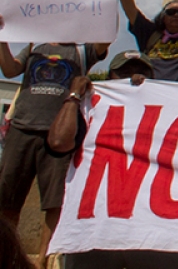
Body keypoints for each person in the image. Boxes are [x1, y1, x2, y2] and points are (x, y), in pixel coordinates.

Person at [48, 52, 178, 269]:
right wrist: (74, 94)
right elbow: (58, 142)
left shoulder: (171, 109)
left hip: (154, 233)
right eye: (124, 72)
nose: (133, 77)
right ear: (111, 77)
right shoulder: (90, 107)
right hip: (95, 233)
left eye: (141, 72)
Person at [0, 39, 109, 258]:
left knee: (54, 201)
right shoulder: (34, 46)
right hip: (22, 127)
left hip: (59, 133)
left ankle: (43, 258)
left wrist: (108, 5)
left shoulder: (82, 50)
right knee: (7, 197)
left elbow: (105, 39)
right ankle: (8, 253)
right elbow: (10, 70)